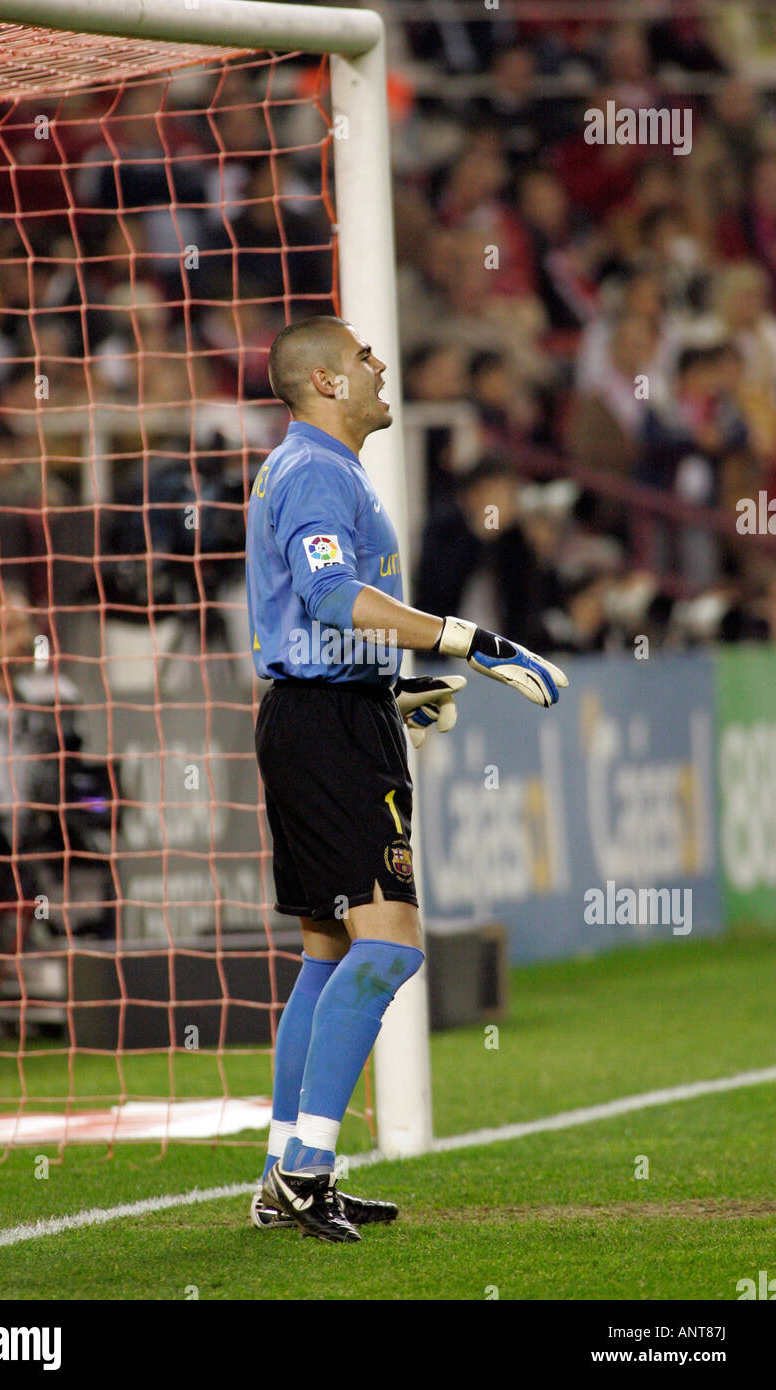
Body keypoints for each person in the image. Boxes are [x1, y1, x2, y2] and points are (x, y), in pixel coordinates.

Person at [246, 315, 568, 1243]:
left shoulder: (316, 467)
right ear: (324, 382)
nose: (379, 364)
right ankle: (308, 1170)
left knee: (330, 954)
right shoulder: (313, 471)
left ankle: (284, 1172)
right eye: (361, 358)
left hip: (327, 712)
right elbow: (332, 596)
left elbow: (330, 623)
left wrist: (395, 684)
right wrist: (471, 638)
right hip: (328, 728)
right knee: (387, 948)